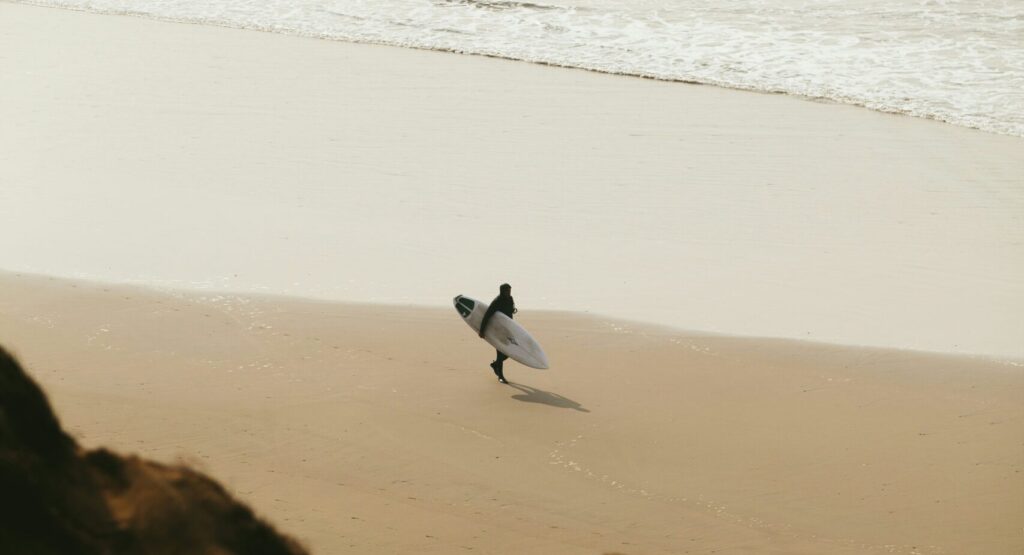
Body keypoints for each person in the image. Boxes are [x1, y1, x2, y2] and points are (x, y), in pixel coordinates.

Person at [479, 283, 516, 384]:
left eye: (510, 290)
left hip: (508, 329)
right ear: (502, 291)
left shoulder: (510, 299)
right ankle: (500, 376)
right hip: (498, 330)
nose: (509, 292)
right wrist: (482, 330)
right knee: (500, 353)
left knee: (508, 353)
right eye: (507, 291)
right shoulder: (497, 301)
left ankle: (495, 365)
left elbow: (510, 312)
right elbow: (487, 315)